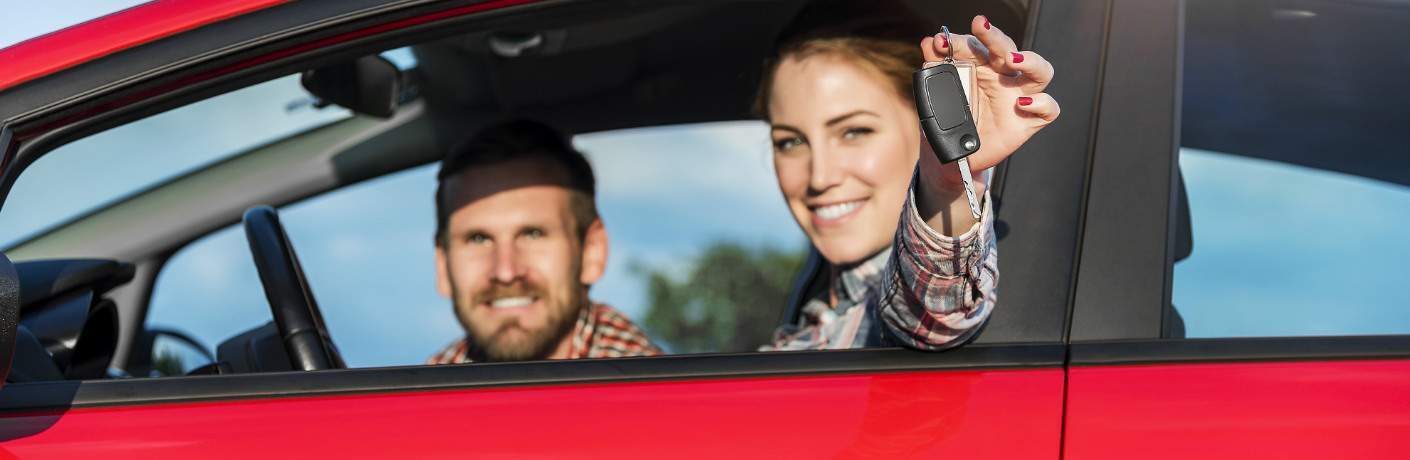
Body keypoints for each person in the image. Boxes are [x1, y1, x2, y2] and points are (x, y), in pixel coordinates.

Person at [758, 10, 1059, 350]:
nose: (820, 177)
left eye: (855, 131)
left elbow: (930, 315)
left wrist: (946, 182)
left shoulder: (893, 315)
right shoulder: (810, 316)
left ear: (926, 121)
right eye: (791, 141)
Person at [427, 120, 662, 363]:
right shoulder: (424, 388)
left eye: (533, 234)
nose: (506, 272)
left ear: (592, 251)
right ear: (443, 265)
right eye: (478, 239)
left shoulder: (646, 392)